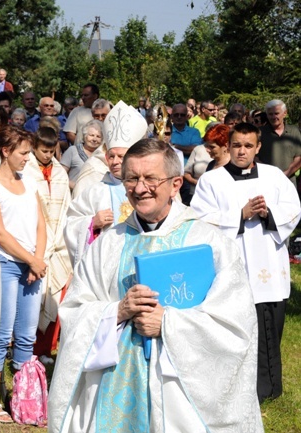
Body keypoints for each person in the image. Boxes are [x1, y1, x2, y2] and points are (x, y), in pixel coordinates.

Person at [49, 138, 264, 433]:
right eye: (131, 178)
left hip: (180, 395)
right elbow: (74, 311)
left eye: (150, 178)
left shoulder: (209, 243)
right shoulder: (107, 245)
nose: (139, 189)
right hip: (115, 382)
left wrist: (167, 323)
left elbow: (236, 323)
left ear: (176, 184)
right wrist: (117, 311)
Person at [191, 122, 301, 403]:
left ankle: (269, 389)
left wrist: (268, 214)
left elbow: (293, 209)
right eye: (237, 145)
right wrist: (239, 214)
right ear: (228, 146)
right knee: (234, 330)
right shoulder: (211, 180)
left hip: (268, 268)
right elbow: (200, 219)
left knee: (269, 328)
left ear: (258, 147)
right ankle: (235, 389)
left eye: (248, 145)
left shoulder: (274, 176)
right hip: (232, 267)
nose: (242, 151)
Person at [0, 126, 47, 423]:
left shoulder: (30, 182)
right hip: (6, 264)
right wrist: (30, 259)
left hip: (32, 265)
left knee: (27, 335)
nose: (27, 158)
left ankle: (22, 396)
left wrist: (38, 261)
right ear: (5, 151)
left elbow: (40, 225)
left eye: (29, 152)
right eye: (23, 153)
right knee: (2, 334)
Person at [65, 101, 148, 266]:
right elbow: (70, 225)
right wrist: (92, 223)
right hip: (106, 264)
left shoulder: (149, 188)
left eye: (121, 156)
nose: (115, 162)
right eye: (111, 156)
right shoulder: (95, 191)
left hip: (143, 259)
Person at [25, 127, 72, 365]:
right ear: (34, 147)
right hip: (36, 240)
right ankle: (28, 348)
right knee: (34, 297)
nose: (47, 155)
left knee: (55, 294)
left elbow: (65, 206)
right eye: (43, 151)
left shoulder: (61, 173)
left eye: (51, 151)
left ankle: (45, 348)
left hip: (58, 243)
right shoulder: (26, 171)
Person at [259, 99, 301, 182]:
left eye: (276, 113)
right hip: (266, 180)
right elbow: (255, 157)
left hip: (289, 181)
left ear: (285, 113)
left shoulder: (294, 131)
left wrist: (286, 174)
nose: (274, 117)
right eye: (270, 114)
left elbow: (299, 157)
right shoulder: (259, 133)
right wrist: (269, 173)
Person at [61, 119, 103, 189]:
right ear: (85, 136)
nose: (94, 139)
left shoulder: (103, 156)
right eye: (91, 135)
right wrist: (76, 187)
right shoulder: (72, 151)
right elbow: (60, 174)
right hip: (74, 195)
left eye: (98, 136)